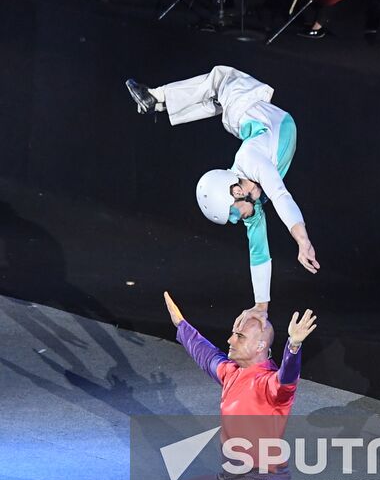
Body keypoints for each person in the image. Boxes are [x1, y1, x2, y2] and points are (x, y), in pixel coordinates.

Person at [125, 65, 320, 308]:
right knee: (216, 99)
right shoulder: (253, 207)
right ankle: (161, 103)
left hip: (244, 113)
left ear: (236, 192)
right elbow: (258, 253)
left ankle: (157, 97)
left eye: (234, 212)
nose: (239, 219)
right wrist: (261, 307)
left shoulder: (251, 159)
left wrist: (302, 241)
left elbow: (281, 196)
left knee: (221, 78)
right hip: (250, 117)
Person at [153, 291, 316, 480]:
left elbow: (288, 377)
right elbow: (205, 353)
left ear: (260, 345)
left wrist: (293, 347)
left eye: (239, 336)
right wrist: (181, 325)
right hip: (230, 479)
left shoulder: (271, 384)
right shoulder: (231, 373)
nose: (230, 339)